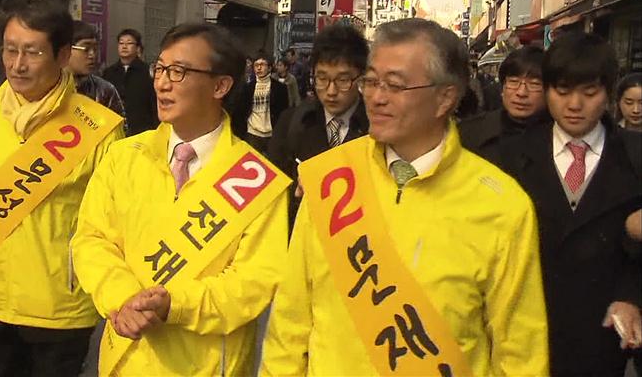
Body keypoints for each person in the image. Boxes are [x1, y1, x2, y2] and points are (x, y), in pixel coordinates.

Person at [261, 18, 549, 376]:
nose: (376, 98)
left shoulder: (502, 205)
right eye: (371, 81)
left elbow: (520, 352)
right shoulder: (330, 179)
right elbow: (290, 322)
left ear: (445, 97)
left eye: (395, 85)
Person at [0, 0, 124, 376]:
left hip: (62, 308)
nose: (17, 65)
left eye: (32, 52)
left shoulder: (97, 127)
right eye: (10, 50)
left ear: (63, 55)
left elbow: (110, 226)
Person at [71, 22, 289, 376]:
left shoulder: (257, 179)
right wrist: (123, 298)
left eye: (179, 71)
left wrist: (175, 305)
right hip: (125, 360)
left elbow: (253, 284)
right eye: (160, 68)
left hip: (205, 367)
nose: (161, 82)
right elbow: (92, 240)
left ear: (220, 85)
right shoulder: (124, 157)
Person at [498, 31, 642, 376]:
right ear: (547, 91)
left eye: (589, 93)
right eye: (562, 92)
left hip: (602, 336)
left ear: (609, 94)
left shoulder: (635, 155)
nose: (574, 105)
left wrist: (633, 297)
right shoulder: (509, 156)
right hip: (524, 331)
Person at [269, 24, 370, 229]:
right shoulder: (292, 122)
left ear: (361, 78)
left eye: (343, 80)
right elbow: (274, 193)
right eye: (322, 78)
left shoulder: (376, 126)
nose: (331, 91)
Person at [459, 45, 550, 163]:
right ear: (502, 88)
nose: (521, 92)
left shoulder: (561, 139)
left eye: (534, 84)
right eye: (513, 82)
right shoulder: (469, 133)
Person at [102, 28, 158, 135]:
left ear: (137, 48)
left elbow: (154, 103)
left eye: (129, 43)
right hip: (114, 129)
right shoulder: (109, 73)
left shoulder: (148, 72)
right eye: (121, 43)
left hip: (142, 130)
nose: (124, 46)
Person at [231, 53, 288, 154]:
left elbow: (284, 112)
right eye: (256, 65)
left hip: (272, 133)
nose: (259, 68)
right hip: (252, 132)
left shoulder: (280, 88)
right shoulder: (248, 88)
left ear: (270, 68)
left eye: (262, 65)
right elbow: (240, 111)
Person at [68, 20, 126, 118]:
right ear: (66, 49)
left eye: (95, 49)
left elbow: (121, 129)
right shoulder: (45, 87)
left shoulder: (105, 90)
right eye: (86, 49)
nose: (92, 55)